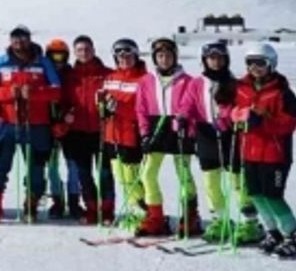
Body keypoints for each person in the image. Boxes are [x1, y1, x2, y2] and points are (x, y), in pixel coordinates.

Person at [0, 25, 60, 223]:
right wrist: (7, 94)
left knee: (36, 168)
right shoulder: (1, 62)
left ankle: (31, 204)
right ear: (10, 41)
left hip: (36, 124)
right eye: (15, 39)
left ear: (29, 40)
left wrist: (36, 94)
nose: (19, 43)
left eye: (23, 39)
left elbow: (56, 91)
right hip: (7, 124)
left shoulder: (43, 62)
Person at [186, 40, 262, 244]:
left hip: (230, 135)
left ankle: (250, 221)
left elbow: (240, 106)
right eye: (211, 58)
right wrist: (182, 118)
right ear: (204, 60)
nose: (216, 61)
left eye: (220, 57)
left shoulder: (234, 83)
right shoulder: (197, 82)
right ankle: (220, 219)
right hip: (206, 133)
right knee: (210, 180)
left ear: (226, 59)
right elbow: (189, 104)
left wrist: (227, 117)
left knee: (237, 180)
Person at [230, 43, 296, 256]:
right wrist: (239, 117)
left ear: (271, 64)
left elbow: (288, 123)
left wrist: (263, 122)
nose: (255, 67)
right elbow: (234, 112)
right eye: (250, 63)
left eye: (260, 63)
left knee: (273, 195)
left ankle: (292, 234)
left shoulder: (282, 92)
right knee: (256, 194)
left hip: (274, 153)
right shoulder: (241, 88)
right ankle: (273, 232)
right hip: (249, 151)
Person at [135, 36, 200, 236]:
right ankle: (155, 216)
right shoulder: (146, 81)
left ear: (175, 57)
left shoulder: (188, 81)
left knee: (183, 174)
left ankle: (190, 216)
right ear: (155, 58)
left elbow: (193, 107)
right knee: (147, 174)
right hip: (156, 128)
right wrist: (145, 133)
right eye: (160, 56)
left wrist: (186, 125)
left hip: (179, 129)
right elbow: (141, 109)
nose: (164, 59)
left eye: (168, 55)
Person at [62, 35, 112, 225]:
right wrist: (65, 114)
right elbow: (63, 101)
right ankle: (92, 208)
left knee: (105, 172)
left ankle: (107, 210)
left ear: (93, 50)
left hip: (102, 130)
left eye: (87, 49)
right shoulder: (70, 77)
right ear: (75, 53)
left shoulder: (106, 74)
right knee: (84, 173)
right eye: (80, 50)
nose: (84, 53)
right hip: (77, 131)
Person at [100, 38, 146, 230]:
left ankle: (144, 213)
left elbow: (143, 109)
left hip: (131, 134)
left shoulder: (143, 79)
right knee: (120, 176)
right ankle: (135, 212)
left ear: (135, 56)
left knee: (131, 176)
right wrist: (102, 106)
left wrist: (119, 107)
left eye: (128, 55)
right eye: (120, 56)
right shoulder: (111, 78)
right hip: (112, 135)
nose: (124, 59)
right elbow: (104, 106)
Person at [44, 37, 81, 219]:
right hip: (49, 126)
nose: (57, 61)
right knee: (51, 165)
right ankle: (57, 200)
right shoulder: (44, 74)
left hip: (70, 127)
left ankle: (74, 200)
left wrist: (67, 118)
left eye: (60, 57)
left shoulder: (71, 75)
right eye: (53, 57)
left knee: (73, 164)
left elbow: (77, 98)